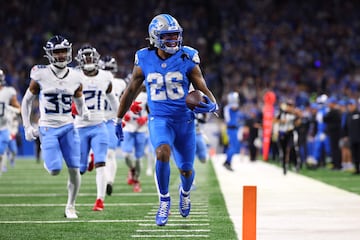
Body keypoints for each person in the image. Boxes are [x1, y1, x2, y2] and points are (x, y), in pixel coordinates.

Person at [115, 14, 218, 226]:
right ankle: (164, 200)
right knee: (162, 152)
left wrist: (213, 103)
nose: (173, 41)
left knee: (186, 170)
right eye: (168, 36)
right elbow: (131, 90)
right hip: (159, 119)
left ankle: (185, 192)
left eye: (175, 36)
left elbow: (202, 87)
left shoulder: (187, 57)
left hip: (185, 121)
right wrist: (118, 119)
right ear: (155, 37)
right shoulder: (143, 58)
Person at [21, 35, 90, 218]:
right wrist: (27, 126)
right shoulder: (40, 73)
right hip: (48, 127)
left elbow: (79, 99)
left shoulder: (76, 75)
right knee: (54, 170)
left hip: (68, 125)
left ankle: (71, 206)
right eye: (57, 52)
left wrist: (84, 113)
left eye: (64, 51)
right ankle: (47, 156)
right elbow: (27, 101)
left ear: (69, 52)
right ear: (50, 54)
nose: (61, 55)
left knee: (74, 169)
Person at [74, 45, 119, 210]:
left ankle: (100, 200)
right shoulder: (74, 76)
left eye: (90, 57)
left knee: (102, 163)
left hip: (99, 126)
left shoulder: (105, 76)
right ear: (80, 60)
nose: (88, 60)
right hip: (79, 127)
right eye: (85, 57)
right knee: (79, 168)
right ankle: (71, 201)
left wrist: (120, 117)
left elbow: (112, 99)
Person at [98, 55, 127, 196]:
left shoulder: (120, 83)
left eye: (110, 69)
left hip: (111, 121)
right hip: (95, 121)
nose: (108, 72)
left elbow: (126, 100)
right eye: (105, 69)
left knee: (110, 153)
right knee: (97, 154)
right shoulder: (95, 81)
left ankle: (109, 181)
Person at [122, 86, 148, 193]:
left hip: (141, 129)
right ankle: (132, 169)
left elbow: (154, 109)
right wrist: (124, 116)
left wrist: (146, 118)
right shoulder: (126, 94)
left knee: (138, 159)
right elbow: (119, 107)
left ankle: (136, 180)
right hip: (128, 127)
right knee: (126, 155)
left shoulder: (146, 96)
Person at [0, 69, 21, 174]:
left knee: (7, 152)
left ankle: (8, 163)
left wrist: (15, 109)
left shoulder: (8, 92)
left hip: (4, 128)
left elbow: (18, 107)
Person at [223, 91, 246, 171]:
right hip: (232, 129)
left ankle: (227, 161)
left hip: (232, 129)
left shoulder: (227, 108)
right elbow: (234, 108)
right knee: (234, 147)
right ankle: (227, 162)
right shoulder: (229, 107)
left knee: (234, 147)